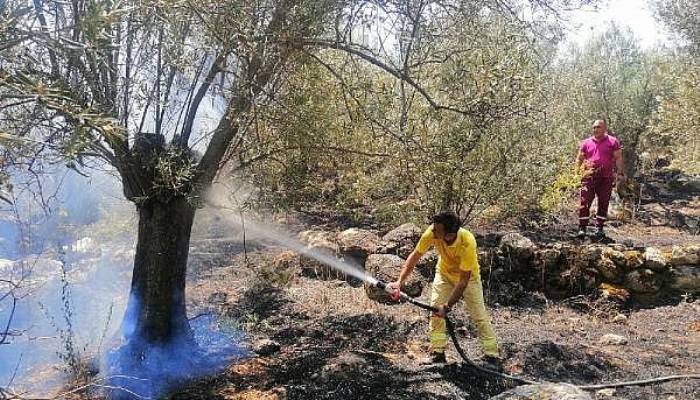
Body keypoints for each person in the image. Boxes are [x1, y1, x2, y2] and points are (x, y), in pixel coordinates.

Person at [389, 211, 499, 365]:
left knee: (479, 316)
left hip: (468, 279)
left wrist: (447, 307)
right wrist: (399, 282)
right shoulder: (432, 232)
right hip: (444, 274)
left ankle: (492, 356)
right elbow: (415, 256)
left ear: (449, 234)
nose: (432, 231)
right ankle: (437, 353)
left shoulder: (467, 242)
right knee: (435, 312)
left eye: (437, 230)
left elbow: (463, 282)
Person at [576, 119, 625, 239]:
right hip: (588, 178)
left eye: (598, 127)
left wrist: (620, 172)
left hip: (605, 178)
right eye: (594, 127)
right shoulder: (586, 142)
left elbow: (618, 158)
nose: (595, 129)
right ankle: (582, 228)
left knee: (603, 202)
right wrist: (577, 173)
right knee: (584, 202)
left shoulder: (613, 141)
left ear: (604, 128)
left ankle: (599, 228)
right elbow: (579, 159)